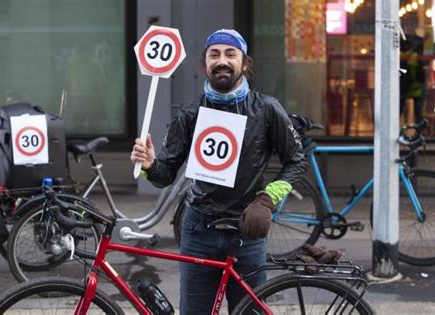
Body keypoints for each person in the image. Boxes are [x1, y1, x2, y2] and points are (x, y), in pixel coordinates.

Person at [130, 29, 306, 314]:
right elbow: (165, 175)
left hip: (247, 233)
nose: (222, 61)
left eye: (230, 54)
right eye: (214, 54)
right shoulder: (189, 113)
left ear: (244, 63)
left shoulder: (267, 109)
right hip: (199, 230)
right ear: (206, 64)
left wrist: (267, 200)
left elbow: (296, 160)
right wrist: (150, 165)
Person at [400, 37, 425, 123]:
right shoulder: (415, 56)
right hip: (415, 88)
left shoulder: (397, 56)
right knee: (418, 112)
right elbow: (421, 74)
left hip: (402, 88)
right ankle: (419, 132)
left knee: (398, 111)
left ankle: (396, 131)